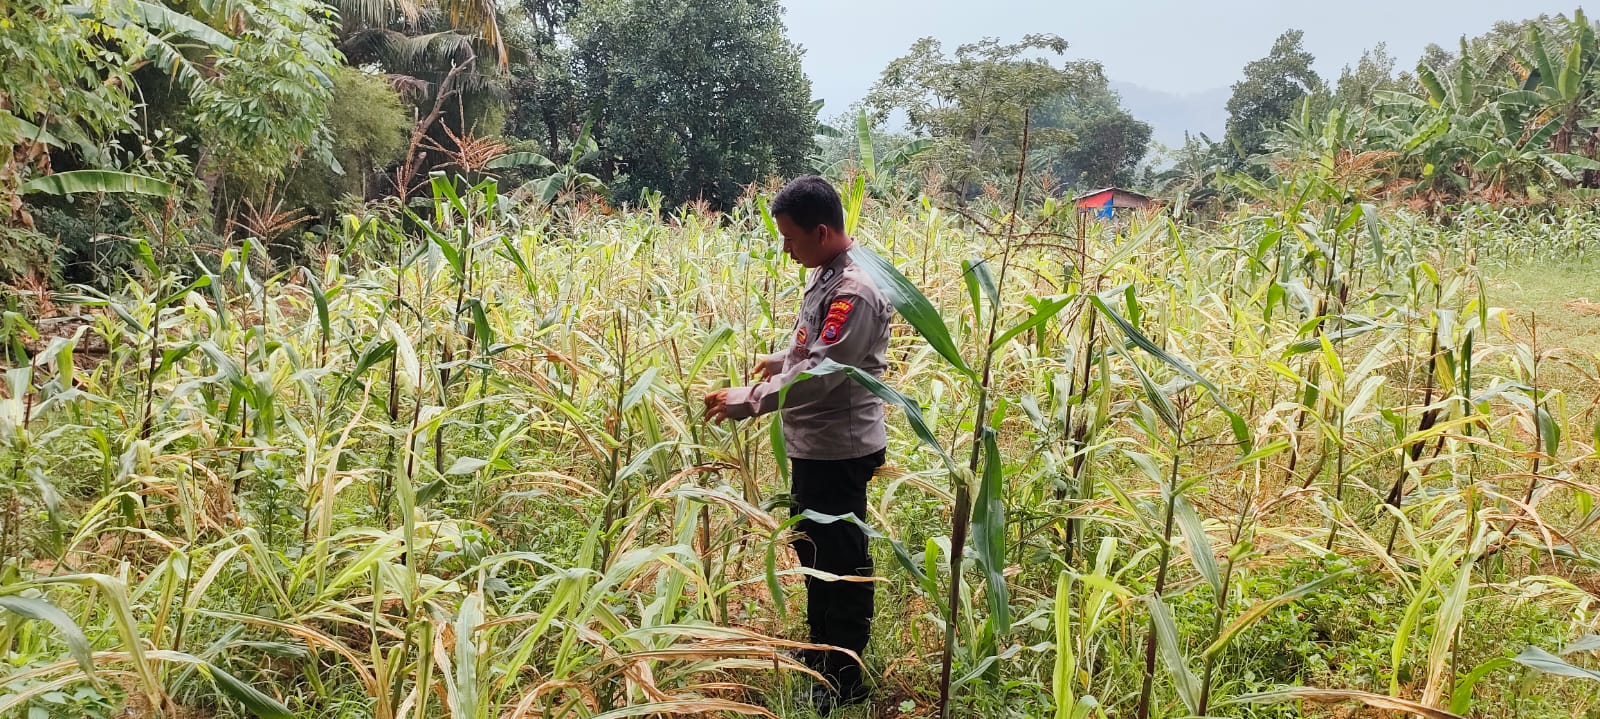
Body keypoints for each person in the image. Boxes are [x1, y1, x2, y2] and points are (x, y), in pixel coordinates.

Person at [703, 175, 891, 715]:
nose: (786, 249)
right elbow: (817, 351)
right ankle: (822, 656)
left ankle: (844, 680)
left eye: (790, 238)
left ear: (822, 231)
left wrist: (750, 399)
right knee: (814, 552)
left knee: (841, 563)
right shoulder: (828, 273)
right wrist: (781, 360)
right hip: (816, 445)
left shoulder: (855, 289)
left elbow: (825, 375)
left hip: (839, 448)